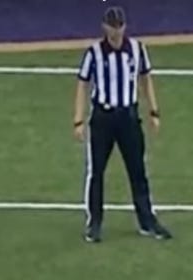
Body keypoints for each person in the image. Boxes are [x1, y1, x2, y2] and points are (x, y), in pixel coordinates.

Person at [73, 6, 171, 243]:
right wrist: (78, 119)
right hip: (103, 118)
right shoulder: (94, 53)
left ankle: (147, 221)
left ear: (124, 27)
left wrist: (154, 111)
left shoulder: (137, 50)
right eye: (112, 26)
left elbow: (146, 78)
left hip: (128, 118)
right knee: (96, 172)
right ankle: (94, 223)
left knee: (138, 171)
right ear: (104, 27)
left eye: (119, 26)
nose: (116, 31)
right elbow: (83, 84)